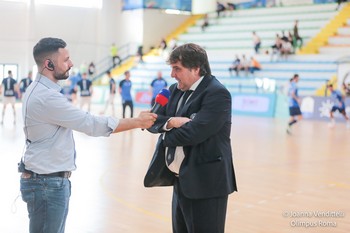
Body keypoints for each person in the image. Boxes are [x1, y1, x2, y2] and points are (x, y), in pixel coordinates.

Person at [19, 37, 157, 233]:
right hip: (46, 184)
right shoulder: (46, 97)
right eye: (66, 59)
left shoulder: (39, 91)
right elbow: (91, 124)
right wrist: (137, 121)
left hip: (45, 181)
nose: (71, 63)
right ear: (48, 64)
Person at [144, 43, 237, 233]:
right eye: (171, 69)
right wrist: (172, 122)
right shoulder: (174, 89)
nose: (172, 74)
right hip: (182, 181)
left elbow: (194, 134)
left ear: (196, 68)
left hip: (206, 184)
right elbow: (152, 121)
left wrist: (164, 136)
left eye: (177, 69)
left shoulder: (217, 93)